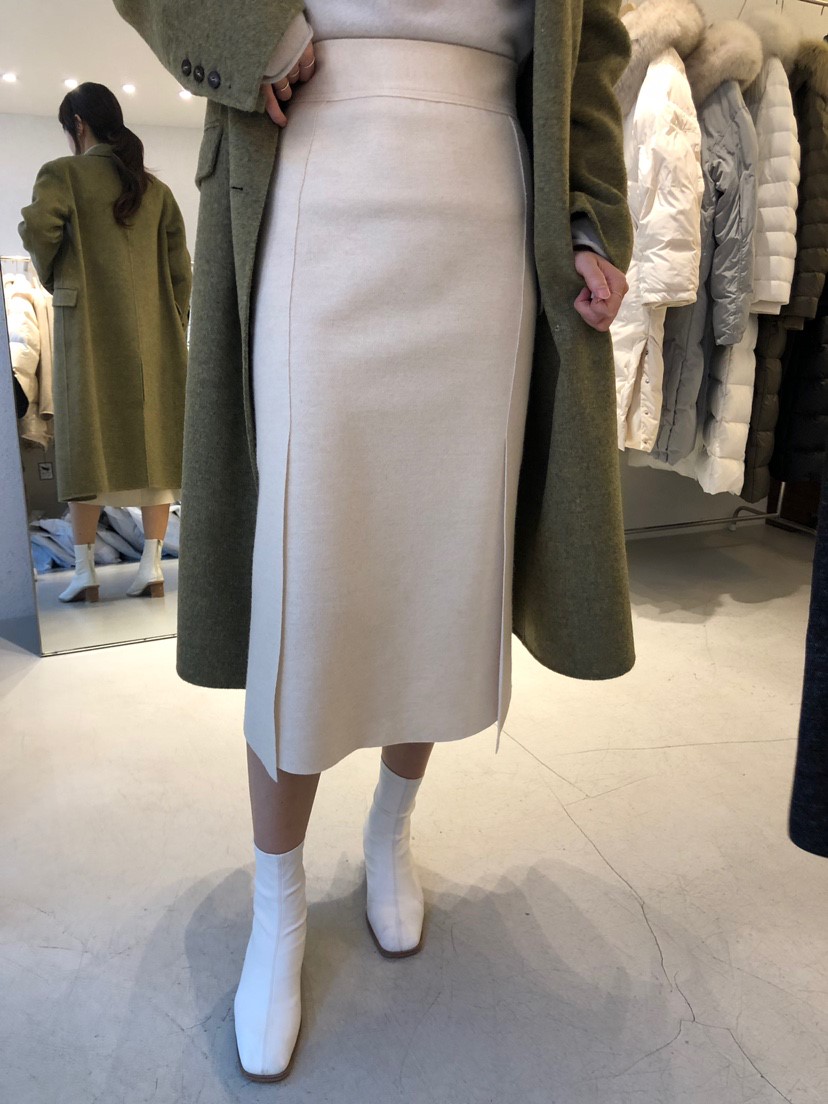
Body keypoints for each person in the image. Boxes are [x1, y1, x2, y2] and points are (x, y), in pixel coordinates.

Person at [114, 0, 633, 1083]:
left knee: (442, 560)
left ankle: (392, 828)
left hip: (489, 203)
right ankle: (278, 904)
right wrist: (250, 30)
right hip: (317, 161)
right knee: (306, 575)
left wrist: (591, 218)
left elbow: (589, 53)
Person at [19, 82, 191, 604]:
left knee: (84, 442)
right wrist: (171, 322)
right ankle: (151, 568)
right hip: (153, 335)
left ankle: (85, 571)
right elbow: (181, 272)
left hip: (87, 327)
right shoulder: (156, 191)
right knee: (154, 442)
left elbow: (38, 230)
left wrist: (59, 280)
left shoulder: (63, 174)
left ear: (78, 125)